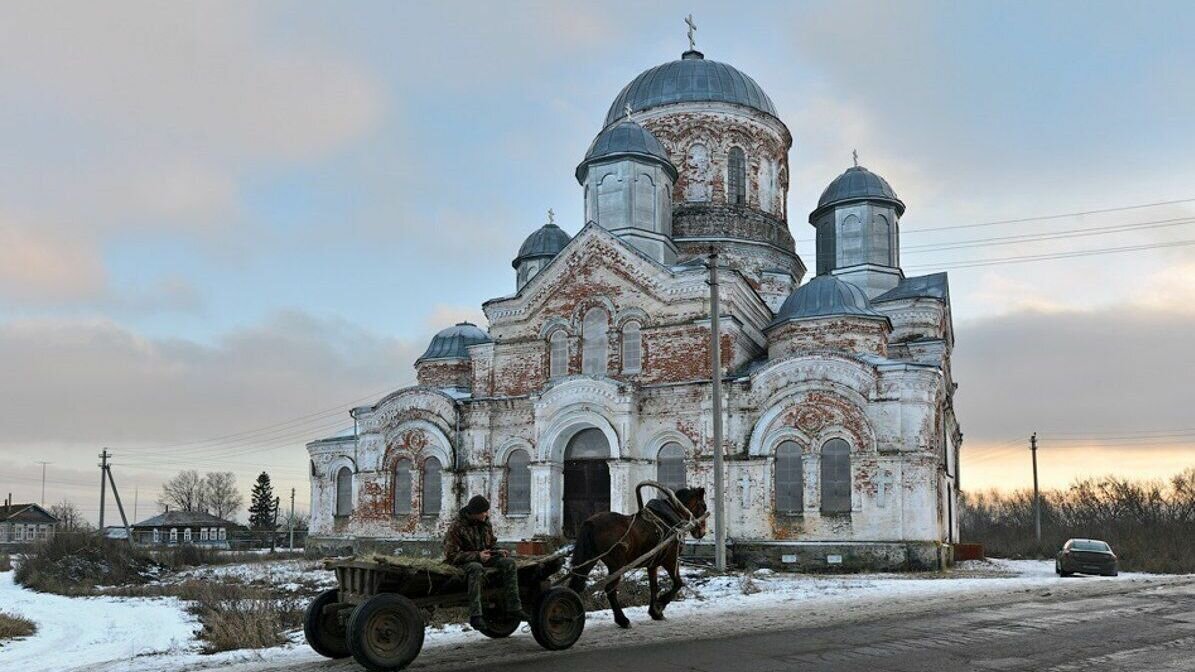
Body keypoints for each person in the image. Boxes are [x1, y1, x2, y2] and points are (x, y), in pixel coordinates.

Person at [444, 494, 527, 630]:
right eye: (483, 512)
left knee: (509, 563)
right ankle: (476, 616)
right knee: (476, 568)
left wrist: (498, 551)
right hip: (464, 563)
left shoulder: (485, 524)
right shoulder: (457, 527)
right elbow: (451, 555)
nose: (486, 514)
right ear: (474, 513)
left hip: (484, 558)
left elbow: (491, 544)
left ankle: (514, 608)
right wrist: (477, 556)